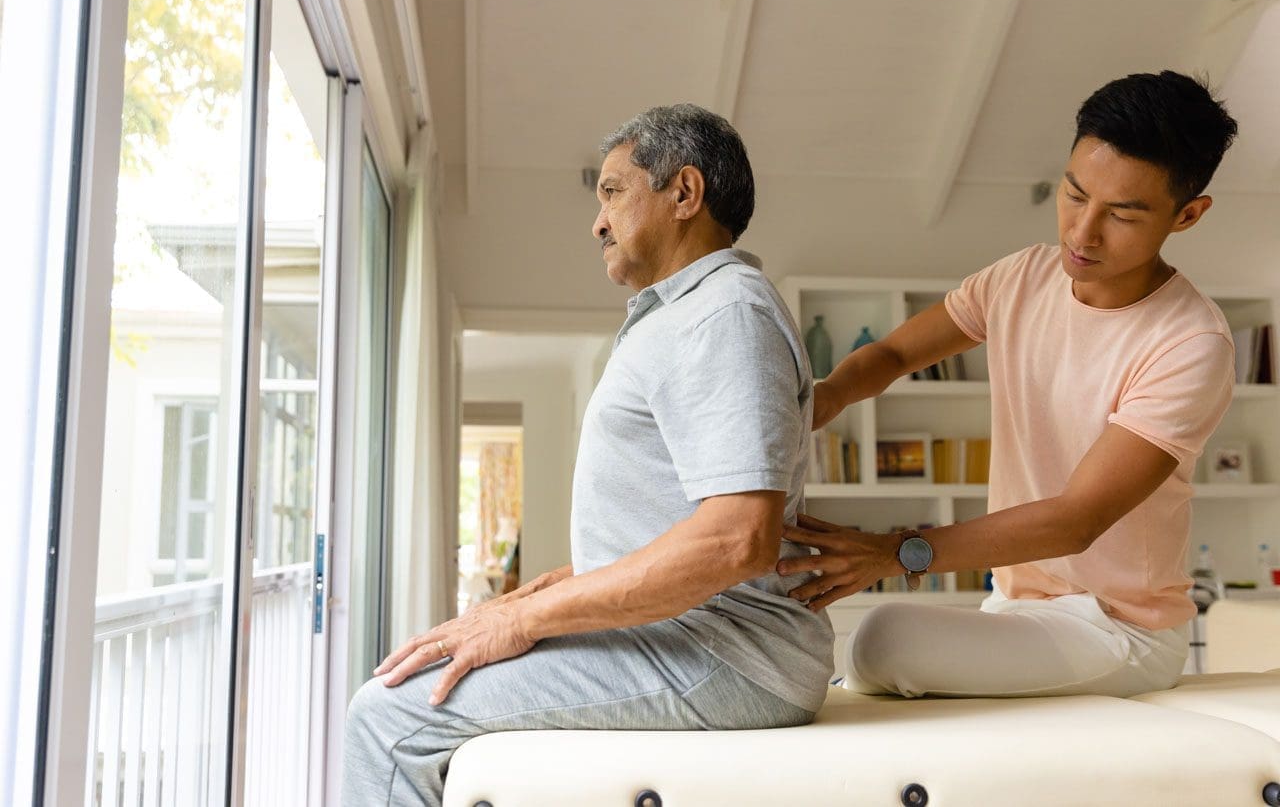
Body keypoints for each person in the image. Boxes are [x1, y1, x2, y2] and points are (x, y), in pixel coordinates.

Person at [343, 104, 833, 805]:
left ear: (684, 193)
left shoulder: (725, 313)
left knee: (388, 719)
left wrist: (521, 622)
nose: (597, 223)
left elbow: (736, 540)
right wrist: (547, 590)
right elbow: (678, 525)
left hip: (726, 652)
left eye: (612, 192)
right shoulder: (692, 314)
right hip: (694, 636)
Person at [778, 70, 1239, 699]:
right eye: (1075, 194)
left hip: (1119, 629)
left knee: (882, 639)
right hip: (1015, 607)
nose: (1082, 232)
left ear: (1187, 214)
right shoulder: (1021, 278)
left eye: (1122, 214)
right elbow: (892, 353)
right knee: (865, 649)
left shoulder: (1190, 343)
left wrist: (895, 552)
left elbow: (1077, 519)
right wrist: (820, 401)